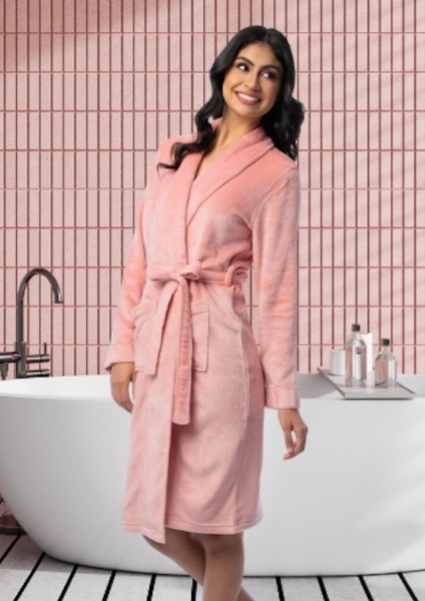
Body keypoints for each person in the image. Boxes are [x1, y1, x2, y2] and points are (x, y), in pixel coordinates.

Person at [104, 26, 308, 601]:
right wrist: (123, 351)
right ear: (223, 72)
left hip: (222, 362)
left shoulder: (275, 173)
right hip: (160, 349)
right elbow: (140, 259)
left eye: (270, 74)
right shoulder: (175, 152)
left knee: (219, 526)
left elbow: (276, 291)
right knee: (157, 523)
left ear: (281, 91)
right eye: (244, 66)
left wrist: (284, 396)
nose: (253, 82)